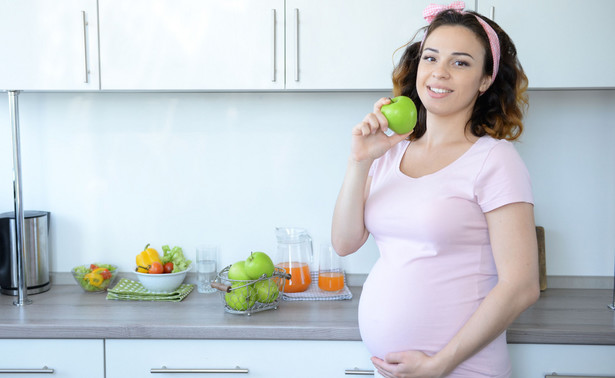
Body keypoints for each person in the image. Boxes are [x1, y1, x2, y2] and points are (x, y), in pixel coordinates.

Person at [331, 2, 540, 377]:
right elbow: (345, 243)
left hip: (460, 369)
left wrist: (439, 365)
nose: (439, 73)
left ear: (485, 80)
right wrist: (359, 160)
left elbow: (521, 286)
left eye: (460, 62)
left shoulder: (495, 159)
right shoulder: (388, 152)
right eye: (431, 58)